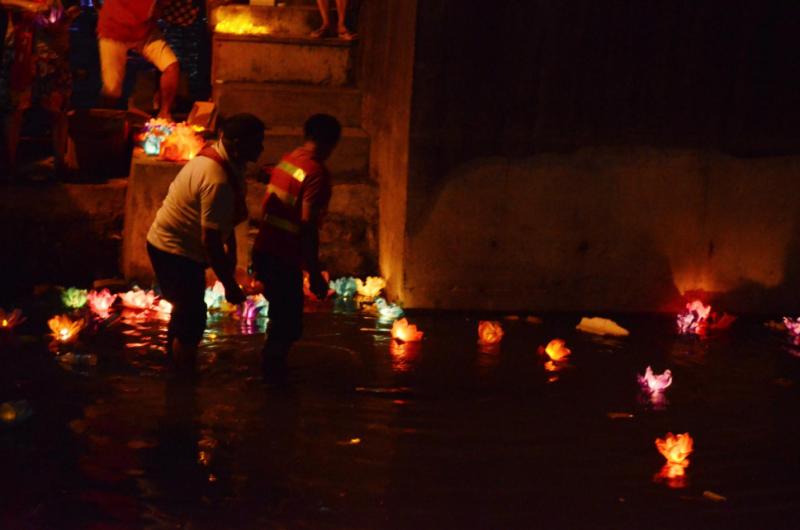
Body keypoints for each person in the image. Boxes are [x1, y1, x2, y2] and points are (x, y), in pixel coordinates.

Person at [147, 113, 265, 368]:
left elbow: (226, 219)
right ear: (236, 143)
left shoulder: (228, 161)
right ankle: (182, 376)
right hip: (173, 251)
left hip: (180, 248)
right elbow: (210, 240)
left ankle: (176, 366)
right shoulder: (216, 178)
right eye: (256, 142)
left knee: (185, 313)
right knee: (192, 318)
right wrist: (229, 286)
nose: (261, 148)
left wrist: (232, 257)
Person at [251, 113, 341, 373]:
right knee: (288, 325)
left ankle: (269, 374)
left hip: (264, 250)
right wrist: (314, 272)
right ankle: (272, 381)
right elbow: (307, 224)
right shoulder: (316, 173)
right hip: (283, 256)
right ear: (333, 142)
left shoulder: (288, 160)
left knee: (280, 318)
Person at [2, 0, 79, 179]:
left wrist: (67, 17)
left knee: (59, 107)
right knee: (14, 108)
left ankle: (60, 164)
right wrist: (30, 7)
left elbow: (73, 7)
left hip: (53, 50)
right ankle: (8, 165)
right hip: (20, 48)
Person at [96, 0, 178, 119]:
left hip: (144, 32)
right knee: (112, 89)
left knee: (171, 66)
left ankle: (165, 113)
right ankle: (106, 122)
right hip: (113, 32)